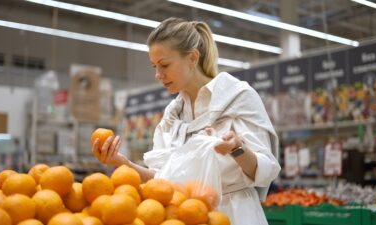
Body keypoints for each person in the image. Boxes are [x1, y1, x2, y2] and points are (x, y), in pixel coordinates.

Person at [92, 17, 281, 225]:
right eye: (154, 66)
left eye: (164, 65)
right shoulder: (171, 117)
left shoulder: (237, 97)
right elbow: (161, 179)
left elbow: (266, 170)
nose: (158, 75)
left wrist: (237, 148)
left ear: (192, 57)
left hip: (234, 215)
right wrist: (124, 163)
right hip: (185, 216)